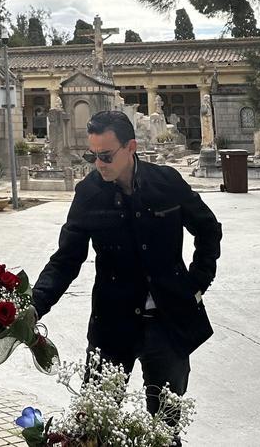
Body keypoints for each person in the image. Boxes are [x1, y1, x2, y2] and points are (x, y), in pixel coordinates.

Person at [31, 109, 222, 420]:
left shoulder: (166, 183)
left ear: (130, 147)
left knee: (166, 424)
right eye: (91, 156)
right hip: (112, 325)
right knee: (94, 424)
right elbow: (66, 259)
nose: (98, 164)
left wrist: (198, 282)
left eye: (105, 156)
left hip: (168, 323)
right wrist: (34, 305)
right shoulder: (89, 194)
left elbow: (208, 228)